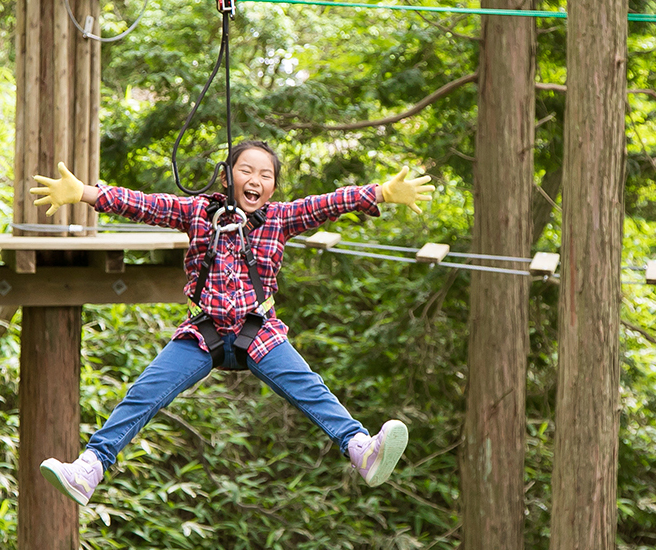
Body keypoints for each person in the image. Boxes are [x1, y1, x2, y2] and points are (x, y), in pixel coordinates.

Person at [27, 140, 437, 505]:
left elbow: (328, 203)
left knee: (311, 389)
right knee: (144, 393)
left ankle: (361, 449)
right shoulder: (199, 212)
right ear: (227, 177)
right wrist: (84, 193)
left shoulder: (280, 218)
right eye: (246, 170)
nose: (255, 179)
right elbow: (146, 204)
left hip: (258, 332)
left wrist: (380, 192)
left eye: (266, 174)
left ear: (273, 186)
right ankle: (89, 468)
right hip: (201, 334)